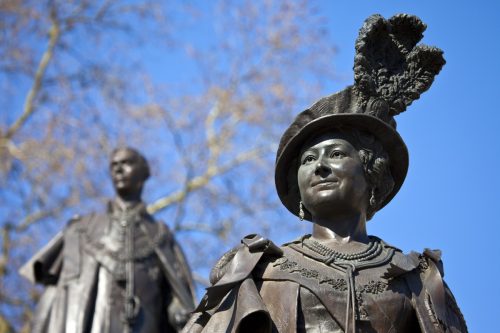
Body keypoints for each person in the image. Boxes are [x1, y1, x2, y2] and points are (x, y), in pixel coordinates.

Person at [182, 14, 467, 333]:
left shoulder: (416, 278)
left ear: (371, 172)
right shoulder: (258, 270)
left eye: (336, 154)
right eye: (307, 160)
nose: (319, 166)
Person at [20, 147, 195, 333]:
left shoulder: (161, 235)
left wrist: (178, 313)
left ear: (144, 172)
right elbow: (56, 294)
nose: (118, 169)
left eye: (126, 163)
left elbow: (177, 300)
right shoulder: (82, 228)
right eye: (114, 165)